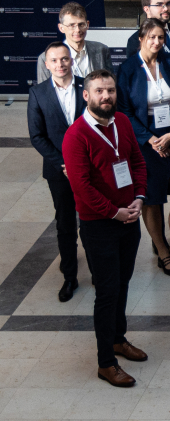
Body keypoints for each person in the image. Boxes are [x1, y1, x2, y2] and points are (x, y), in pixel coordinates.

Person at [63, 69, 148, 387]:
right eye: (99, 91)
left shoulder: (123, 122)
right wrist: (115, 212)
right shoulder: (76, 135)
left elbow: (138, 162)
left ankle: (118, 338)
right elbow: (82, 188)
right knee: (107, 292)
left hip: (129, 218)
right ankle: (105, 362)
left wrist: (139, 198)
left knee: (123, 284)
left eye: (110, 90)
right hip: (100, 225)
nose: (106, 96)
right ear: (86, 95)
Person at [117, 18, 170, 278]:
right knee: (152, 199)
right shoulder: (127, 68)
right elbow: (124, 110)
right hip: (145, 144)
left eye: (161, 37)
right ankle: (162, 251)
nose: (157, 42)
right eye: (152, 37)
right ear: (141, 39)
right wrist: (150, 139)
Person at [28, 43, 87, 301]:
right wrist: (63, 163)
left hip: (90, 166)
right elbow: (37, 136)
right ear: (47, 64)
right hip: (58, 169)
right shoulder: (38, 93)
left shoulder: (88, 86)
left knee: (91, 220)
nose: (61, 64)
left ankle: (98, 270)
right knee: (65, 223)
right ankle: (70, 276)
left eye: (65, 59)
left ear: (71, 61)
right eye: (55, 60)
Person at [36, 2, 111, 83]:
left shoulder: (102, 50)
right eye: (72, 25)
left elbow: (110, 84)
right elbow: (43, 92)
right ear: (61, 28)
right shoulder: (45, 58)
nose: (77, 30)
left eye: (81, 24)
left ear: (87, 25)